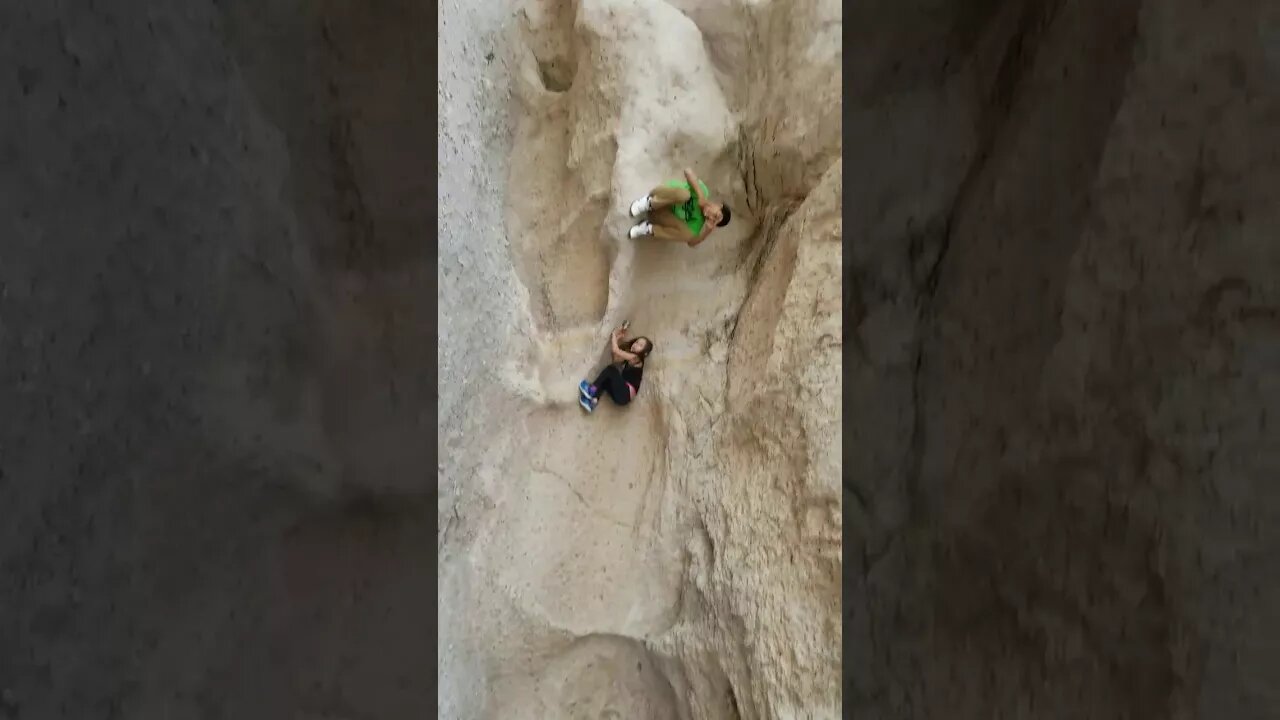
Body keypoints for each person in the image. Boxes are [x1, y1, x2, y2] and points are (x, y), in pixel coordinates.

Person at [626, 167, 731, 247]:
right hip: (659, 196)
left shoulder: (698, 222)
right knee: (685, 195)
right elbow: (687, 171)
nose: (711, 217)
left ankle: (648, 228)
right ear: (718, 205)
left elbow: (691, 243)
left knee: (689, 234)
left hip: (662, 214)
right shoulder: (703, 191)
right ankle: (647, 203)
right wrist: (700, 196)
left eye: (714, 220)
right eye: (716, 214)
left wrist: (707, 232)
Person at [579, 324, 654, 413]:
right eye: (636, 342)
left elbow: (616, 350)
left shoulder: (636, 358)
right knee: (606, 380)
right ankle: (592, 401)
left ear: (644, 353)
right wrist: (617, 339)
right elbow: (615, 359)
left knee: (611, 370)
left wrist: (614, 335)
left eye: (640, 345)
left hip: (625, 394)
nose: (636, 345)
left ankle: (591, 391)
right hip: (621, 398)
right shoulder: (630, 358)